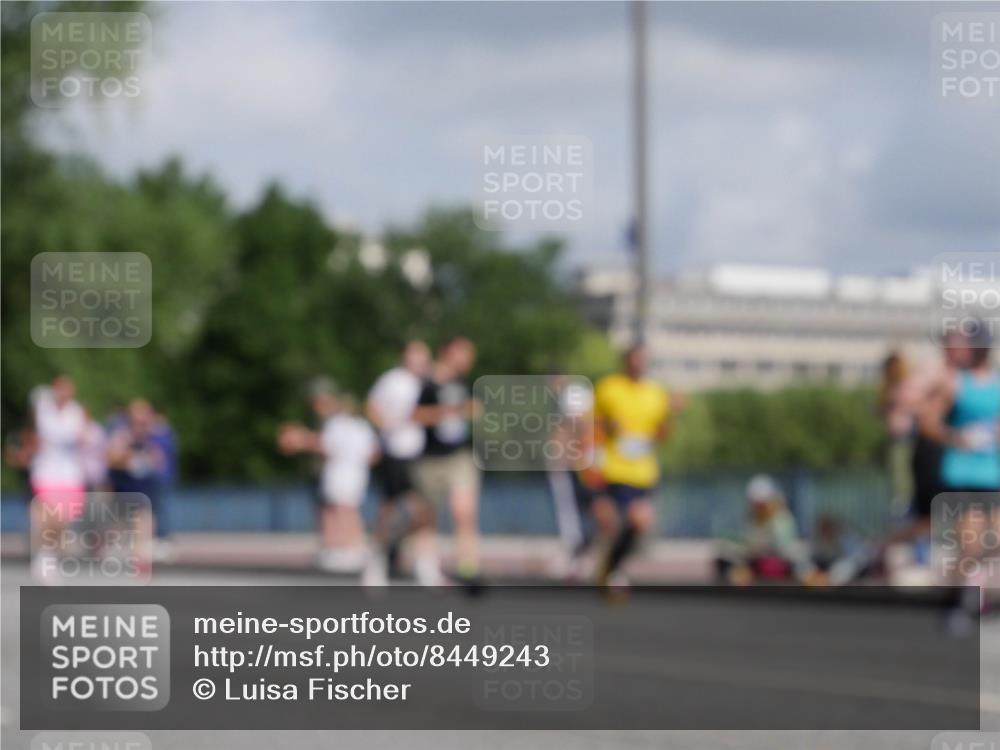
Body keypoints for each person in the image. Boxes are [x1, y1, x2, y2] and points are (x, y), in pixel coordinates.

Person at [919, 322, 999, 630]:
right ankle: (957, 602)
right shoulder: (955, 383)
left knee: (994, 542)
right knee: (971, 542)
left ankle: (969, 590)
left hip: (993, 473)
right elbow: (928, 421)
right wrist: (956, 437)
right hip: (962, 473)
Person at [591, 345, 673, 592]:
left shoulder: (657, 393)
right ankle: (610, 570)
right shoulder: (609, 388)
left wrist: (667, 424)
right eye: (636, 359)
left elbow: (662, 432)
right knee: (611, 524)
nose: (640, 364)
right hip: (614, 469)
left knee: (641, 522)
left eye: (644, 359)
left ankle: (612, 567)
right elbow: (592, 425)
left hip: (643, 470)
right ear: (626, 361)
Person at [363, 340, 444, 586]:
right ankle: (376, 560)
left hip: (420, 455)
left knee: (425, 511)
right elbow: (371, 407)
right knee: (393, 510)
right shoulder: (392, 380)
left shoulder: (428, 383)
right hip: (396, 453)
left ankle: (425, 564)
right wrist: (385, 425)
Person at [279, 381, 379, 573]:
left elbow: (326, 445)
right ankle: (341, 547)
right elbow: (372, 454)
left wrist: (300, 440)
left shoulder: (341, 424)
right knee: (340, 510)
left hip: (343, 473)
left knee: (344, 510)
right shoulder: (360, 427)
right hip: (352, 473)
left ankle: (353, 548)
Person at [412, 336, 481, 585]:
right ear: (447, 352)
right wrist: (454, 411)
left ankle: (467, 567)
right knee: (427, 516)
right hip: (429, 458)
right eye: (464, 352)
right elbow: (414, 416)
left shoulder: (463, 383)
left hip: (459, 456)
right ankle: (426, 566)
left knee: (464, 512)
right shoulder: (425, 382)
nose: (468, 359)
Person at [28, 375, 89, 582]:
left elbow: (82, 437)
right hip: (46, 470)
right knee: (46, 514)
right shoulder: (43, 408)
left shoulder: (76, 411)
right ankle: (44, 556)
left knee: (64, 518)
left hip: (70, 472)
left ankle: (50, 554)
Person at [546, 374, 604, 579]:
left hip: (591, 472)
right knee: (573, 518)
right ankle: (577, 556)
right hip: (574, 471)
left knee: (597, 515)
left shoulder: (592, 424)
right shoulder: (568, 415)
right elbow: (561, 437)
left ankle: (590, 558)